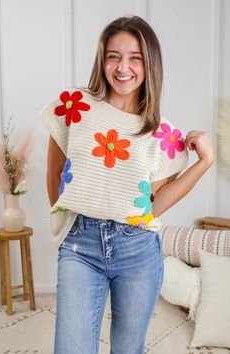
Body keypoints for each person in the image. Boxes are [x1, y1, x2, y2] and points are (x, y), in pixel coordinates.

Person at [41, 16, 214, 354]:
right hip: (80, 248)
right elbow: (54, 174)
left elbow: (153, 205)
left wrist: (204, 163)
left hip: (138, 251)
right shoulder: (74, 106)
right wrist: (68, 227)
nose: (123, 67)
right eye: (113, 56)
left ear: (150, 64)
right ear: (102, 59)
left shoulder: (160, 133)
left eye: (135, 57)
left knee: (127, 349)